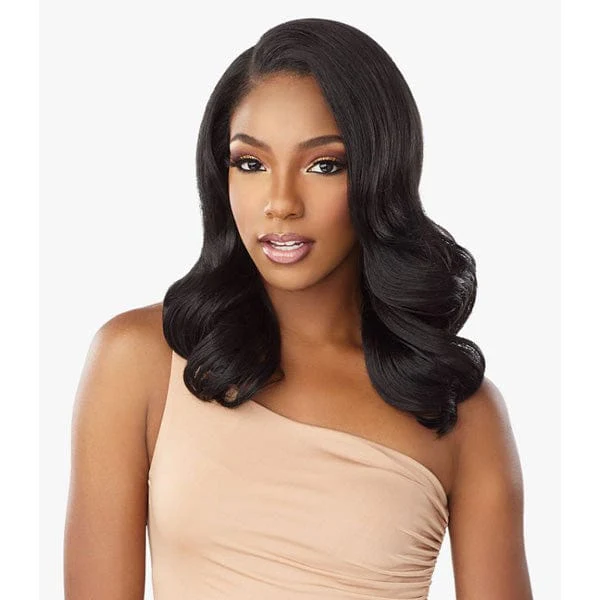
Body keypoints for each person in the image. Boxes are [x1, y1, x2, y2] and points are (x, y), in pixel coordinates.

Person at [64, 17, 534, 600]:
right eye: (251, 164)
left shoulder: (462, 414)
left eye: (324, 165)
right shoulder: (138, 360)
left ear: (381, 174)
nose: (281, 202)